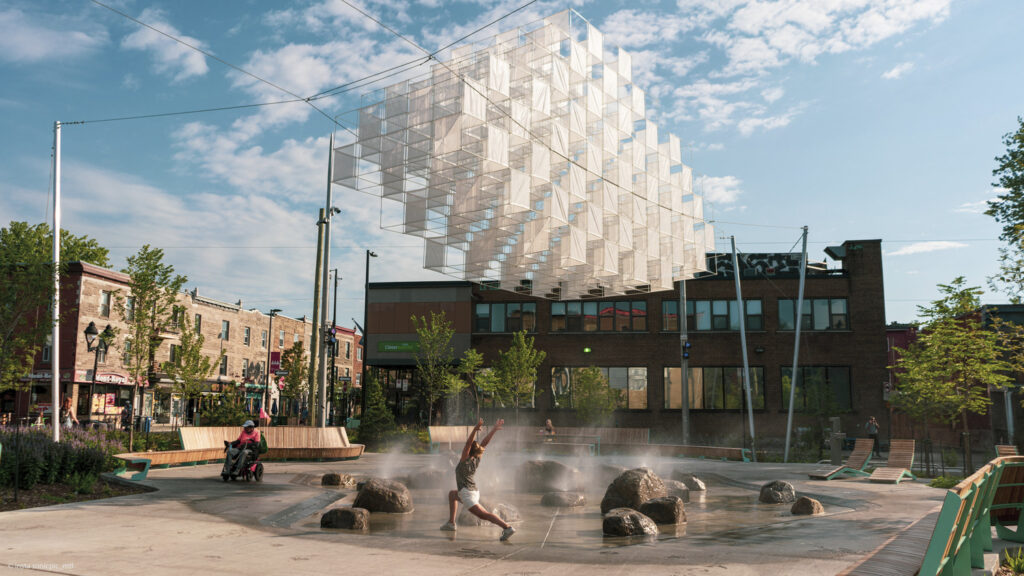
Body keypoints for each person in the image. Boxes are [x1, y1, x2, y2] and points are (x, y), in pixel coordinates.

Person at [441, 418, 515, 541]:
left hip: (467, 494)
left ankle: (507, 527)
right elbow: (484, 444)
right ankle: (451, 523)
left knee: (484, 515)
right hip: (473, 490)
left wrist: (475, 430)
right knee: (452, 494)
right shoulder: (477, 458)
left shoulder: (464, 460)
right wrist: (494, 430)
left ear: (468, 451)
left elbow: (468, 444)